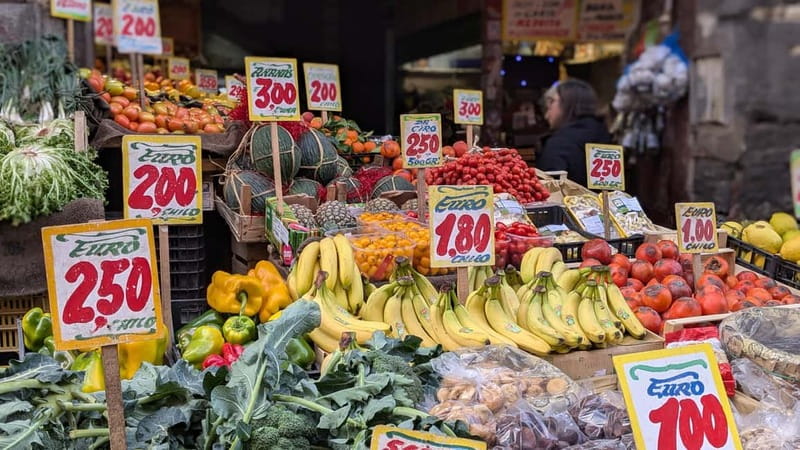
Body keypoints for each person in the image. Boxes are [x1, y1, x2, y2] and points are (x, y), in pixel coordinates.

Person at [537, 79, 612, 186]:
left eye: (552, 101)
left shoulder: (559, 143)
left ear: (568, 103)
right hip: (607, 201)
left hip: (569, 201)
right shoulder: (605, 134)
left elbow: (549, 190)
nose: (547, 113)